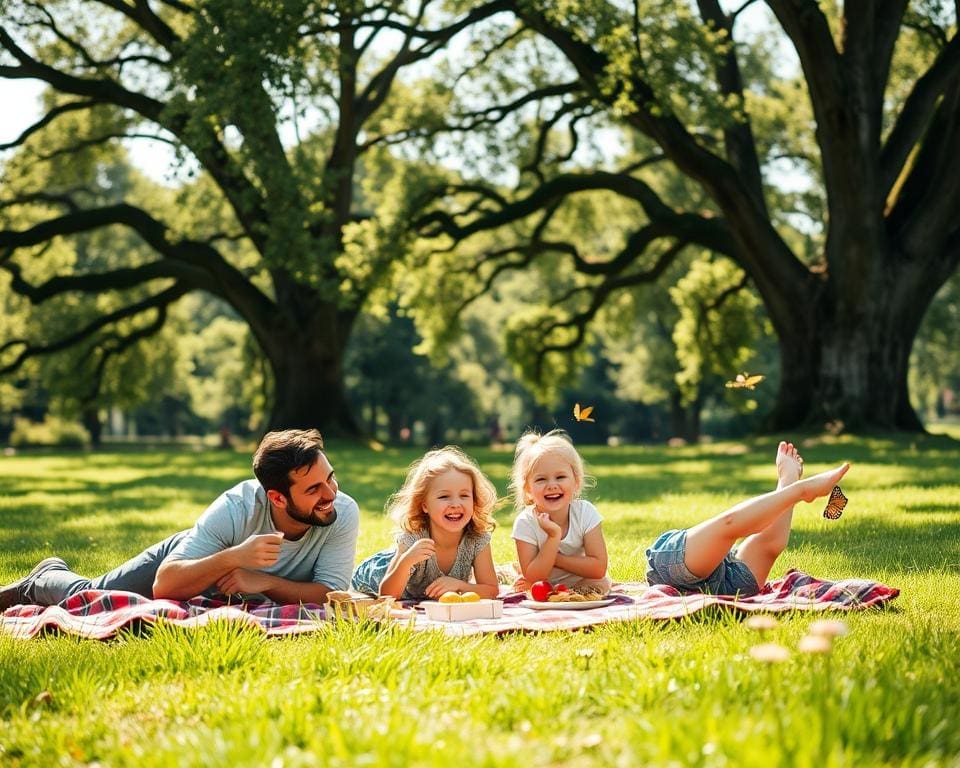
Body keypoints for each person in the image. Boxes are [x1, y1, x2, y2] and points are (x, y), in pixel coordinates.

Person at [0, 429, 360, 609]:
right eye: (313, 489)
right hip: (193, 560)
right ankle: (43, 579)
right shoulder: (236, 507)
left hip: (235, 582)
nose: (330, 494)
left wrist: (261, 581)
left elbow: (329, 594)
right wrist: (234, 558)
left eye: (330, 479)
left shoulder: (341, 511)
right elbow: (165, 586)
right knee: (89, 599)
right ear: (277, 498)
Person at [645, 441, 849, 596]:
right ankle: (793, 485)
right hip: (729, 589)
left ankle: (795, 487)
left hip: (672, 571)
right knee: (771, 545)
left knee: (729, 526)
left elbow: (730, 523)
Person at [351, 446, 500, 600]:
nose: (455, 504)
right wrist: (406, 561)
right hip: (372, 577)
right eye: (444, 497)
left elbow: (491, 590)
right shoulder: (413, 538)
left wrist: (459, 586)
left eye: (464, 495)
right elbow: (387, 595)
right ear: (424, 505)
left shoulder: (476, 539)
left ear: (474, 500)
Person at [509, 430, 612, 595]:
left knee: (601, 583)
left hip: (582, 582)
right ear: (527, 489)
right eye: (541, 479)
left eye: (560, 477)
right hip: (543, 585)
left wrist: (555, 558)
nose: (552, 485)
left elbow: (598, 568)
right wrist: (553, 537)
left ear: (576, 481)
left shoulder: (585, 513)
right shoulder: (525, 522)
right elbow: (534, 576)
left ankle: (572, 595)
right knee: (529, 587)